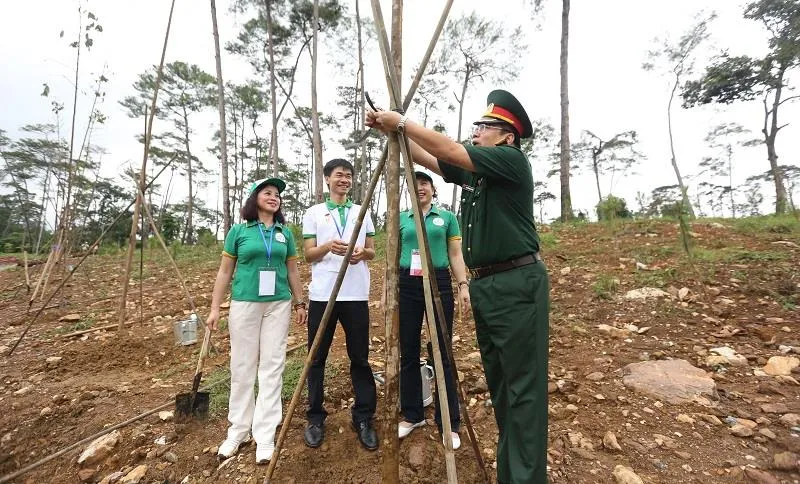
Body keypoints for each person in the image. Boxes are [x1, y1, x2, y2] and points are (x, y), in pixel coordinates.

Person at [367, 90, 550, 484]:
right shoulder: (481, 176)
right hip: (489, 286)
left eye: (485, 127)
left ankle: (526, 477)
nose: (477, 132)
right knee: (503, 387)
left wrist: (403, 122)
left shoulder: (511, 161)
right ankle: (511, 473)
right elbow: (433, 158)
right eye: (477, 126)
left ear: (507, 137)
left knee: (524, 390)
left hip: (516, 285)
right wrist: (393, 132)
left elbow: (450, 148)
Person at [206, 178, 308, 464]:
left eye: (277, 194)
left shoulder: (284, 233)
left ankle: (265, 435)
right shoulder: (239, 231)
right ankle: (238, 430)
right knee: (242, 366)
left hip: (278, 304)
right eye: (267, 193)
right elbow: (225, 272)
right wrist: (215, 308)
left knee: (272, 366)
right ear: (255, 198)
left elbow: (292, 270)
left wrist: (300, 302)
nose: (274, 197)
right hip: (245, 303)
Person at [301, 158, 379, 451]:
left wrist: (362, 254)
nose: (344, 179)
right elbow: (308, 255)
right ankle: (315, 417)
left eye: (348, 175)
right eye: (338, 175)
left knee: (360, 357)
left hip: (356, 293)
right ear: (327, 179)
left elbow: (372, 250)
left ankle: (363, 417)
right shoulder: (314, 213)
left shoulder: (362, 211)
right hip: (323, 294)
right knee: (316, 357)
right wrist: (327, 247)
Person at [395, 170, 470, 450]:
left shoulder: (446, 218)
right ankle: (412, 414)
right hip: (408, 282)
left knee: (442, 350)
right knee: (408, 350)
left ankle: (448, 421)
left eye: (424, 183)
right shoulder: (401, 218)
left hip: (439, 281)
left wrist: (462, 284)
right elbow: (392, 253)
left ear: (433, 188)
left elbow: (455, 253)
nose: (420, 188)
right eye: (414, 184)